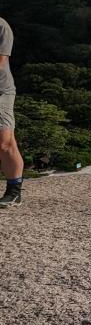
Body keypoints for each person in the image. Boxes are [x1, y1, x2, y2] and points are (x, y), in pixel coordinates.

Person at [0, 17, 23, 207]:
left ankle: (14, 191)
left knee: (4, 142)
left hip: (1, 91)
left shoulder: (2, 27)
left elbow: (0, 61)